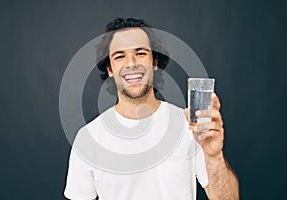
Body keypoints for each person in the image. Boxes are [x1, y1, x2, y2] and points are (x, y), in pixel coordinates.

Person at [64, 18, 239, 200]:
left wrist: (214, 156)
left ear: (155, 62)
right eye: (119, 56)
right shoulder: (88, 138)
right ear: (109, 68)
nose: (131, 63)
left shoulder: (190, 126)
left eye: (140, 53)